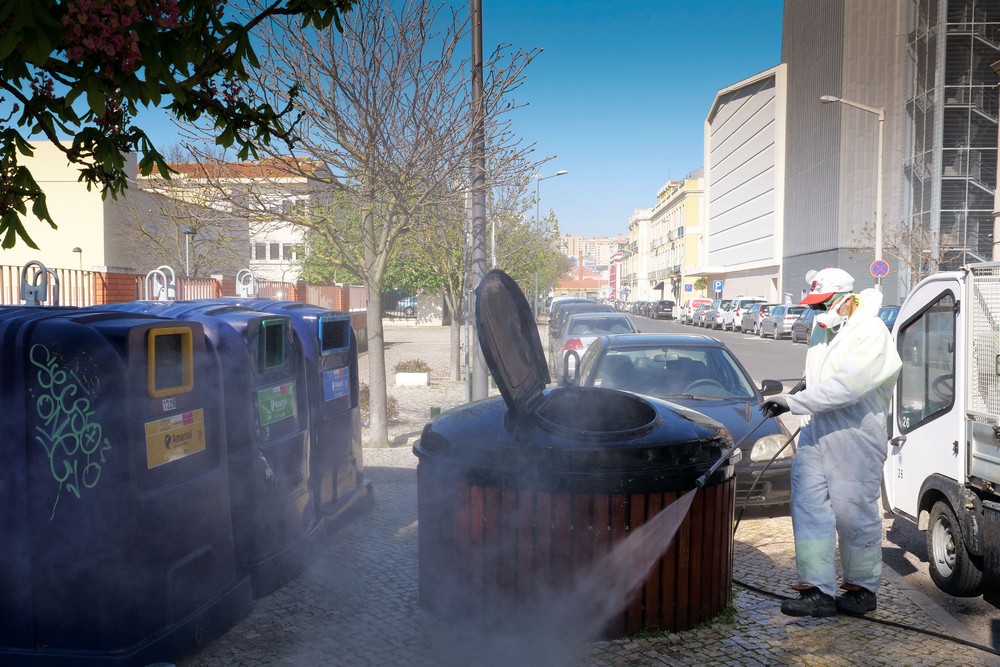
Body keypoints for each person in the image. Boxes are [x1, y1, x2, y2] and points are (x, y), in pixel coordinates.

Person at [762, 267, 902, 618]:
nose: (814, 312)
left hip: (855, 436)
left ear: (844, 299)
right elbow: (821, 375)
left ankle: (861, 588)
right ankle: (817, 591)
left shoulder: (870, 332)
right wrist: (802, 390)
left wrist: (792, 403)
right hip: (817, 428)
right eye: (812, 306)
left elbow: (847, 388)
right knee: (808, 508)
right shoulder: (823, 328)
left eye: (820, 304)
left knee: (853, 515)